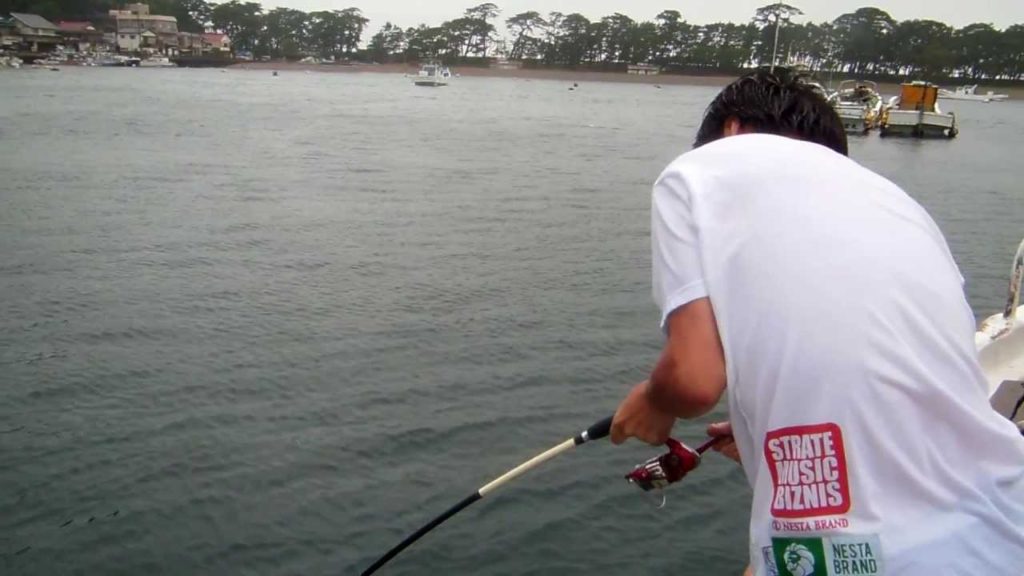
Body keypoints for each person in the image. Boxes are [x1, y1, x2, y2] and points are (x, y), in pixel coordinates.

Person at [609, 69, 1024, 575]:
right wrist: (769, 424)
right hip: (1003, 523)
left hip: (871, 558)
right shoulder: (899, 203)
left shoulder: (699, 171)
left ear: (733, 129)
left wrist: (653, 402)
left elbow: (693, 381)